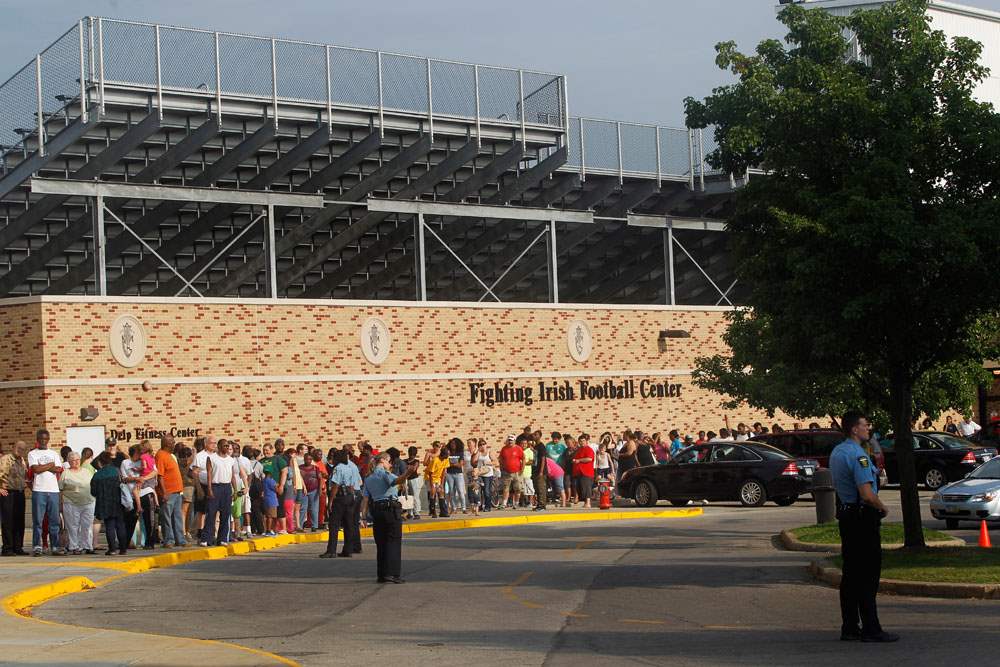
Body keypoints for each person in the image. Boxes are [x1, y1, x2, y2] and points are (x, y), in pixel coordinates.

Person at [829, 411, 897, 643]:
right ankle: (871, 627)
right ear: (854, 429)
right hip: (862, 517)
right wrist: (883, 508)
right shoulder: (859, 455)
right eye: (865, 425)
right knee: (868, 574)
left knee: (851, 574)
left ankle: (849, 626)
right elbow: (867, 494)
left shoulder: (837, 452)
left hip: (847, 515)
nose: (868, 429)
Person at [358, 453, 417, 583]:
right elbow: (396, 481)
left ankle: (382, 574)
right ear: (383, 461)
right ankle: (393, 573)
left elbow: (366, 499)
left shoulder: (368, 477)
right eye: (389, 462)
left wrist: (363, 517)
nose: (390, 465)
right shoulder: (384, 474)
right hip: (390, 509)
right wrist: (408, 473)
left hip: (377, 510)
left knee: (381, 543)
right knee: (393, 541)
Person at [28, 429, 63, 556]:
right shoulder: (33, 454)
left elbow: (58, 469)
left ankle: (55, 546)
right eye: (41, 439)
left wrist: (43, 466)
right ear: (37, 439)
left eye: (45, 439)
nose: (43, 441)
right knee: (38, 520)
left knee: (54, 521)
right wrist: (49, 465)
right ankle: (37, 546)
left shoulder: (54, 453)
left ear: (48, 439)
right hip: (39, 490)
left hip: (53, 491)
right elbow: (35, 469)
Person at [320, 450, 357, 558]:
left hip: (340, 497)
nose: (333, 459)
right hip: (349, 496)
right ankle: (348, 549)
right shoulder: (349, 467)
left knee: (334, 524)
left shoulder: (338, 468)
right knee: (348, 524)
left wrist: (331, 501)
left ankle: (331, 550)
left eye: (334, 457)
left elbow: (335, 485)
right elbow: (351, 485)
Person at [202, 440, 239, 547]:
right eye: (225, 446)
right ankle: (206, 539)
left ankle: (222, 538)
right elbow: (209, 474)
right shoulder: (212, 458)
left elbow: (232, 476)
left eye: (228, 446)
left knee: (225, 514)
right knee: (211, 514)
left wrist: (235, 490)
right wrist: (209, 488)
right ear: (219, 446)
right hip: (215, 486)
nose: (227, 448)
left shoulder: (231, 460)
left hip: (226, 487)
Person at [90, 452, 128, 556]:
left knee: (110, 526)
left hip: (105, 504)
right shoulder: (116, 471)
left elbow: (93, 492)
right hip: (118, 502)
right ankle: (123, 549)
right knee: (120, 525)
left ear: (100, 462)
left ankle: (112, 549)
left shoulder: (97, 475)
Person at [59, 452, 95, 555]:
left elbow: (93, 484)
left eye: (78, 459)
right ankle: (74, 546)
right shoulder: (65, 473)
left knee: (87, 525)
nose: (76, 462)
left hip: (88, 501)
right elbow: (60, 489)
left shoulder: (87, 471)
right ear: (69, 462)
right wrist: (60, 504)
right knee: (73, 526)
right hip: (71, 503)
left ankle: (87, 546)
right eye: (73, 460)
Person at [155, 435, 186, 548]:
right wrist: (164, 492)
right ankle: (169, 540)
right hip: (168, 492)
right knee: (167, 517)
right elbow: (160, 476)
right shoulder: (161, 456)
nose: (174, 444)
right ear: (167, 444)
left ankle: (180, 539)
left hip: (177, 491)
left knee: (177, 517)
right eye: (172, 442)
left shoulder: (170, 456)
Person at [0, 440, 28, 556]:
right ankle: (7, 548)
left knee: (19, 521)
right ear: (13, 447)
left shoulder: (22, 461)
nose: (20, 450)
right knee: (8, 521)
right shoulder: (5, 459)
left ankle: (18, 547)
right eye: (18, 447)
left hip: (20, 493)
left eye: (22, 449)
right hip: (8, 493)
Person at [497, 435, 524, 510]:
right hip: (507, 472)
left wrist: (522, 469)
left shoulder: (518, 448)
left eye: (512, 440)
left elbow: (523, 458)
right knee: (506, 488)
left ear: (514, 441)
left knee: (518, 488)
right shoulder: (504, 449)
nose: (510, 441)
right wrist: (501, 467)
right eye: (509, 440)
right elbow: (500, 458)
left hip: (517, 472)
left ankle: (516, 503)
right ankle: (504, 504)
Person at [424, 443, 449, 518]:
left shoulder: (446, 460)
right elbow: (430, 473)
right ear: (442, 454)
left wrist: (441, 484)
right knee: (433, 493)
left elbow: (444, 472)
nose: (447, 456)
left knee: (441, 492)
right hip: (430, 478)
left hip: (438, 478)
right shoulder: (435, 460)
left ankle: (443, 512)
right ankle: (433, 511)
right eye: (446, 455)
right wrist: (432, 486)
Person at [572, 440, 595, 508]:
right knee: (581, 487)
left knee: (587, 487)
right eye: (580, 441)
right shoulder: (579, 450)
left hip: (587, 472)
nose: (582, 442)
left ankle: (588, 503)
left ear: (586, 442)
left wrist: (579, 460)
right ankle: (585, 502)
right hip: (579, 472)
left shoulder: (589, 449)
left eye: (583, 441)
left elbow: (589, 459)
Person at [404, 447, 423, 519]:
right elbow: (404, 468)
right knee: (407, 496)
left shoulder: (416, 461)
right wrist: (409, 467)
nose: (411, 455)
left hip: (414, 479)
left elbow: (414, 469)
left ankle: (416, 512)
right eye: (410, 453)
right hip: (406, 479)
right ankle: (410, 513)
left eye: (413, 454)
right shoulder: (405, 461)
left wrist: (408, 467)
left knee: (415, 496)